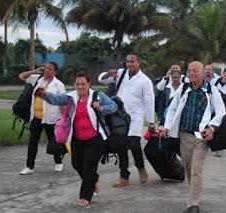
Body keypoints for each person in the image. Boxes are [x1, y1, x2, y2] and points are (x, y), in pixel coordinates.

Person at [37, 72, 117, 207]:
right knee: (76, 164)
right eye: (77, 84)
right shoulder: (71, 98)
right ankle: (94, 179)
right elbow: (56, 99)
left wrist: (101, 107)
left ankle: (85, 196)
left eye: (83, 84)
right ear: (74, 85)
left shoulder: (98, 96)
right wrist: (45, 94)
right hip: (77, 138)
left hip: (96, 138)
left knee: (89, 167)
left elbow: (113, 107)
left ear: (89, 84)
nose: (80, 87)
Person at [163, 61, 226, 213]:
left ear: (203, 72)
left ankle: (193, 204)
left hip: (201, 136)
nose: (191, 73)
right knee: (189, 168)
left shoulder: (211, 89)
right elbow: (172, 109)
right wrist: (167, 126)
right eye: (189, 70)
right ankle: (195, 196)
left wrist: (211, 127)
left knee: (196, 168)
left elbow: (220, 111)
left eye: (195, 70)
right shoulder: (184, 88)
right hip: (184, 135)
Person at [98, 52, 155, 187]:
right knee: (120, 146)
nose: (129, 64)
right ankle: (124, 177)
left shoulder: (145, 80)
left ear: (138, 63)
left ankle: (141, 168)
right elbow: (101, 79)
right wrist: (108, 74)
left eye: (132, 62)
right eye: (128, 61)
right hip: (119, 117)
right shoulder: (120, 74)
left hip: (135, 117)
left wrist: (151, 122)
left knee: (134, 144)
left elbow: (149, 102)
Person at [19, 61, 66, 175]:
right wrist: (35, 71)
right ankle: (29, 166)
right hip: (36, 117)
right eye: (45, 68)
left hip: (51, 118)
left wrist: (64, 118)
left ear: (55, 72)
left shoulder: (59, 84)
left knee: (53, 141)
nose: (47, 70)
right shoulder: (37, 79)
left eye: (50, 69)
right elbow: (22, 76)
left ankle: (58, 162)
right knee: (32, 142)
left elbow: (61, 102)